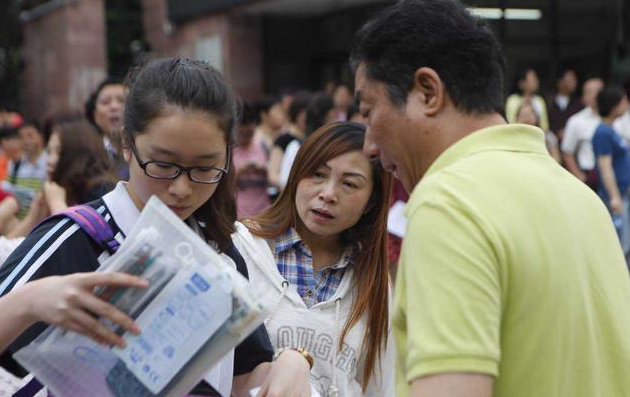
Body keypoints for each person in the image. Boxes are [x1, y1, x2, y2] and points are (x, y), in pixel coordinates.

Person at [351, 1, 630, 396]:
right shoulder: (580, 197)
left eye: (368, 111)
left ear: (427, 91)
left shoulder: (449, 203)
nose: (369, 147)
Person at [0, 58, 312, 397]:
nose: (181, 188)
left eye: (205, 168)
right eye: (163, 164)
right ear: (127, 144)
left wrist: (292, 362)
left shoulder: (217, 252)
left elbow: (242, 374)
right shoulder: (74, 240)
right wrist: (27, 303)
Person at [246, 122, 394, 396]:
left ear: (371, 202)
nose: (328, 193)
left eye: (349, 184)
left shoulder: (373, 283)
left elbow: (380, 386)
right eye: (317, 174)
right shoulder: (242, 250)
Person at [43, 117, 115, 214]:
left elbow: (89, 228)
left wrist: (56, 203)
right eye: (49, 152)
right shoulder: (64, 188)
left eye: (59, 152)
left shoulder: (100, 189)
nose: (49, 161)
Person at [592, 86, 630, 259]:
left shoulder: (612, 130)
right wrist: (614, 196)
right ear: (614, 105)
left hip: (624, 193)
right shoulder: (602, 132)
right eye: (623, 101)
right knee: (620, 245)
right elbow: (605, 166)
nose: (626, 104)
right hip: (615, 197)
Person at [560, 76, 604, 188]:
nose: (595, 95)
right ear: (583, 97)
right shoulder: (576, 121)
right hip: (589, 176)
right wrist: (580, 177)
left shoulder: (618, 118)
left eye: (599, 91)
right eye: (590, 92)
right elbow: (567, 152)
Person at [85, 77, 128, 179]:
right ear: (95, 114)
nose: (114, 107)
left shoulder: (145, 150)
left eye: (122, 100)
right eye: (105, 102)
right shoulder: (86, 154)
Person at [234, 103, 271, 218]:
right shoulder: (229, 149)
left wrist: (263, 169)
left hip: (264, 210)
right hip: (239, 212)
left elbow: (275, 176)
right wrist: (240, 171)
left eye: (249, 133)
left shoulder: (263, 145)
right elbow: (222, 185)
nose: (245, 137)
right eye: (241, 133)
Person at [547, 68, 582, 140]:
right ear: (560, 82)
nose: (574, 82)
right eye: (571, 79)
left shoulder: (579, 104)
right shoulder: (548, 103)